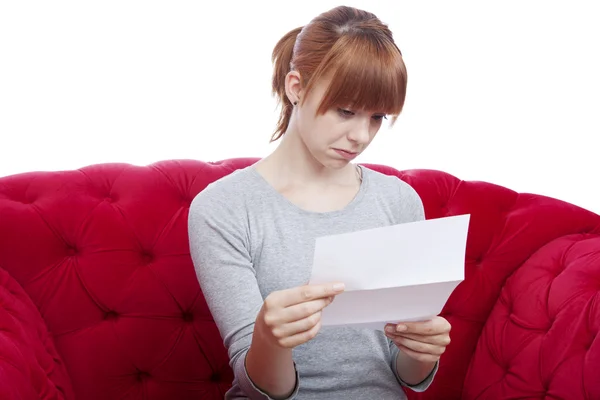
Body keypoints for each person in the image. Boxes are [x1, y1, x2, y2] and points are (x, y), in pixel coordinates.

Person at [188, 5, 451, 399]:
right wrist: (269, 339)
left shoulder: (398, 202)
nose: (361, 136)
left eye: (377, 117)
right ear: (296, 87)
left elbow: (404, 373)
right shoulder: (224, 208)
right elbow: (261, 388)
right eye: (346, 111)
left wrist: (423, 352)